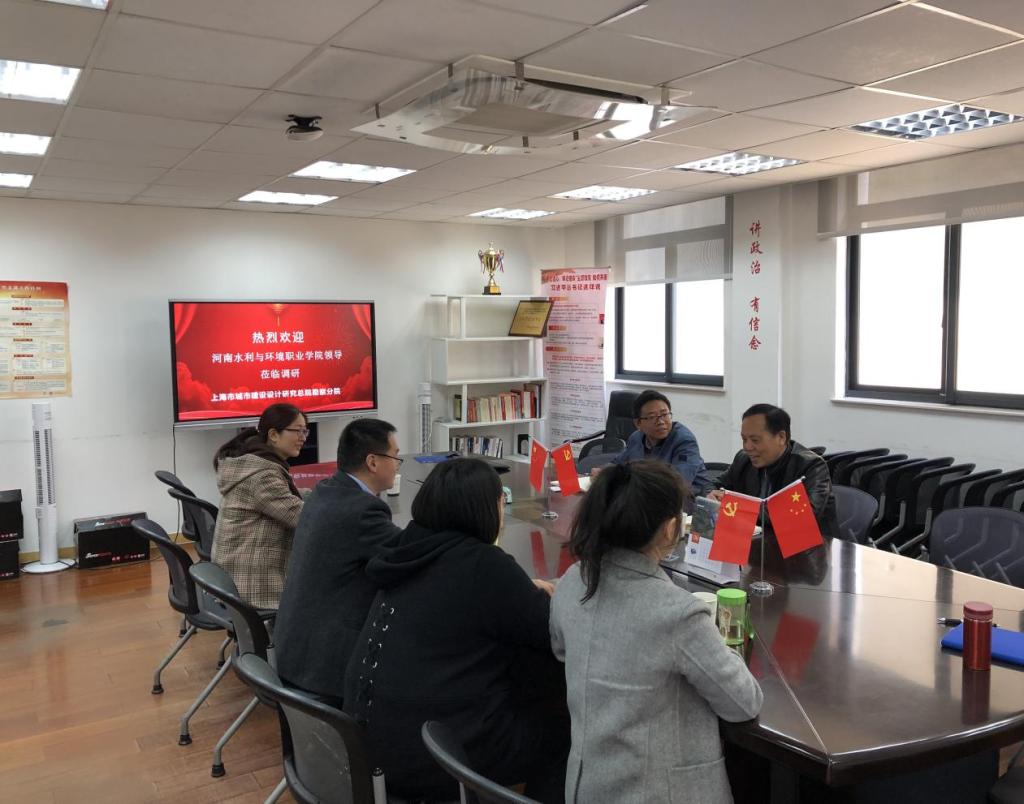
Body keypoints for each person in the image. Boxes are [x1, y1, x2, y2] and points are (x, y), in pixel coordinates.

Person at [344, 458, 568, 803]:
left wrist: (521, 590)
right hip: (433, 757)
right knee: (564, 724)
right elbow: (553, 630)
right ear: (486, 508)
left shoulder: (405, 548)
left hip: (366, 745)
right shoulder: (483, 565)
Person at [551, 460, 763, 804]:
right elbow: (744, 702)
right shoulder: (679, 613)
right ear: (670, 529)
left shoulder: (571, 581)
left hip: (585, 787)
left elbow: (561, 649)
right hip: (659, 793)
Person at [274, 418, 403, 704]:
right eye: (395, 457)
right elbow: (406, 555)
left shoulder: (325, 490)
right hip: (323, 666)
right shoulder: (362, 509)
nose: (397, 465)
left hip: (293, 648)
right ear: (372, 461)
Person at [211, 403, 306, 610]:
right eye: (297, 431)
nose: (303, 437)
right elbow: (302, 518)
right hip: (250, 582)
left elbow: (287, 497)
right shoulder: (262, 475)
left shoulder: (253, 463)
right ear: (273, 435)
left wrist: (322, 494)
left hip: (233, 573)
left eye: (305, 431)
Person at [708, 403, 838, 546]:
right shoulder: (743, 459)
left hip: (804, 549)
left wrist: (739, 506)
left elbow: (801, 517)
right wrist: (711, 495)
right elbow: (712, 484)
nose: (747, 447)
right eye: (744, 439)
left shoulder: (811, 466)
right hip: (756, 546)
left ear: (781, 437)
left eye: (755, 440)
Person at [599, 389, 713, 495]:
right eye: (652, 417)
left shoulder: (684, 440)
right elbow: (618, 463)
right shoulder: (636, 438)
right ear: (638, 423)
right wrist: (603, 472)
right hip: (649, 495)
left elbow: (679, 482)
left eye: (665, 414)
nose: (661, 422)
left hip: (691, 498)